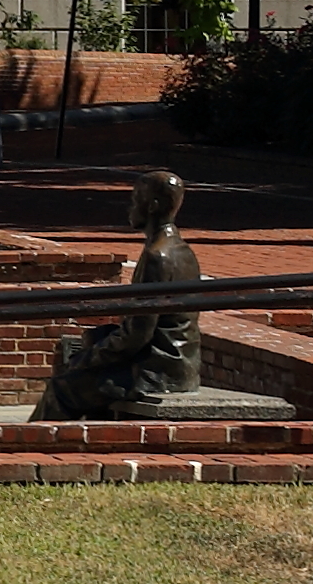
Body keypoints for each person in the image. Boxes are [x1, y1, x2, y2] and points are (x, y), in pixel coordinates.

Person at [35, 169, 204, 415]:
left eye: (135, 201)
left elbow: (137, 335)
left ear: (152, 206)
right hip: (176, 362)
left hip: (158, 369)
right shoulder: (182, 250)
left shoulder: (158, 256)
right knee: (87, 365)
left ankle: (30, 449)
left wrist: (89, 358)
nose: (130, 208)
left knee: (62, 387)